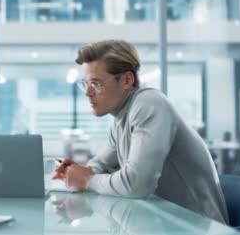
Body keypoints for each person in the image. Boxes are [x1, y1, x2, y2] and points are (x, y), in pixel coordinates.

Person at [53, 40, 228, 224]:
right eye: (85, 84)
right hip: (165, 223)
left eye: (95, 84)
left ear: (127, 80)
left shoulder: (149, 104)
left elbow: (136, 184)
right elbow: (101, 165)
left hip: (200, 233)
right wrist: (78, 172)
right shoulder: (121, 117)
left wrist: (88, 180)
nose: (87, 93)